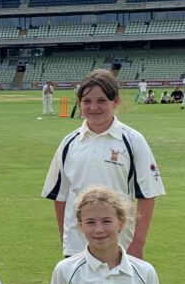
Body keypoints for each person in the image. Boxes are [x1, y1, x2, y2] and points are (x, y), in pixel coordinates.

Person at [43, 69, 165, 259]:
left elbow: (147, 195)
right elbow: (60, 197)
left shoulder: (132, 140)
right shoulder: (69, 143)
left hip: (120, 248)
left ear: (115, 101)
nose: (93, 107)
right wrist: (66, 241)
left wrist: (137, 245)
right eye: (87, 101)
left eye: (101, 101)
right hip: (77, 249)